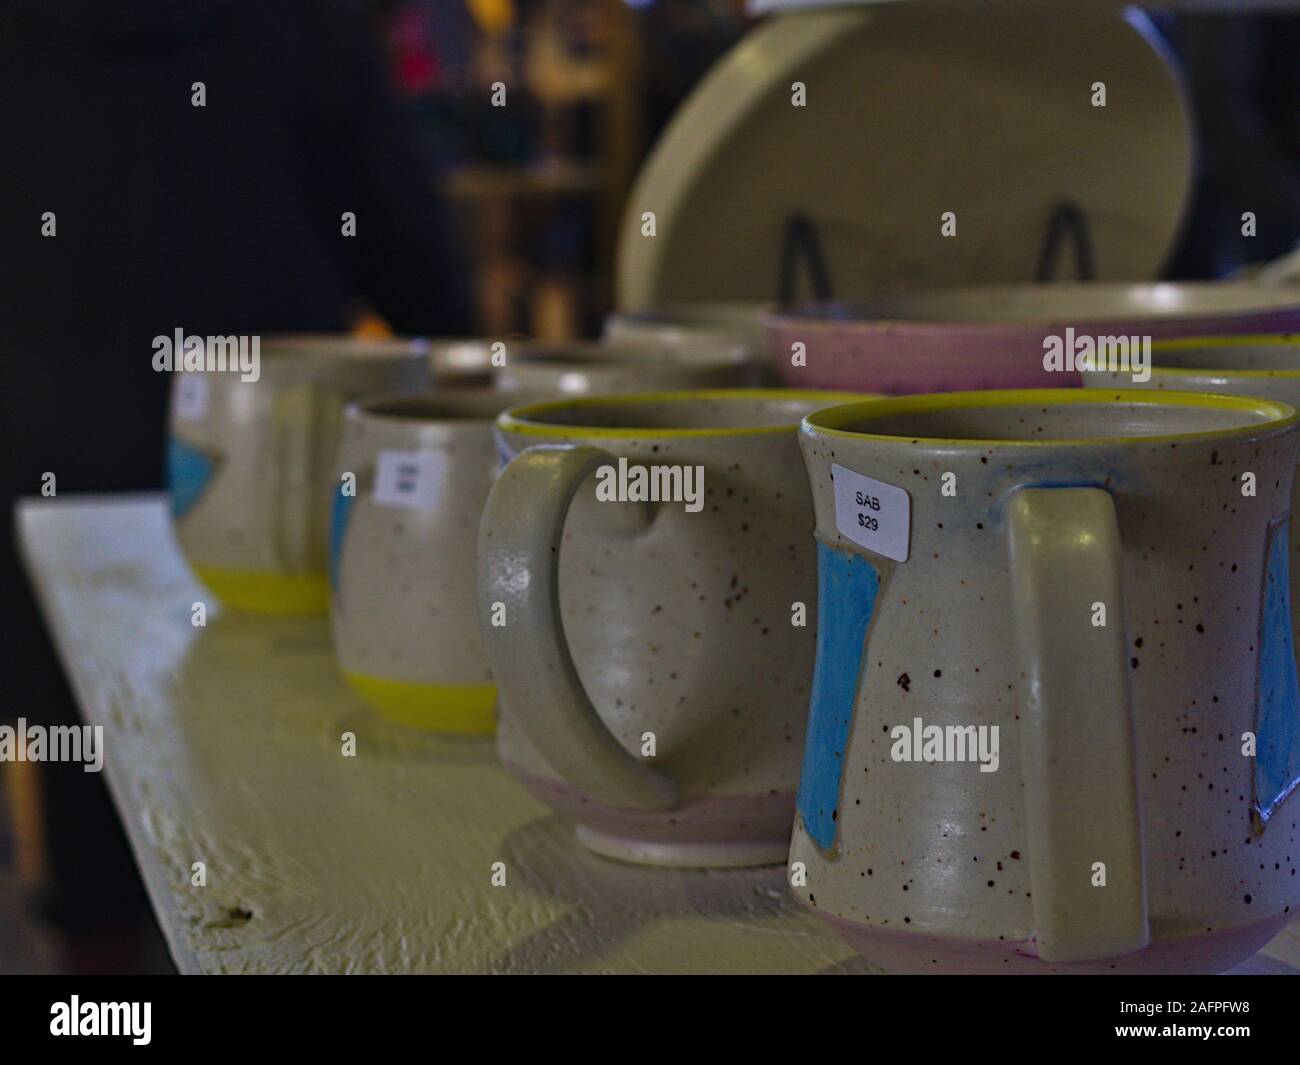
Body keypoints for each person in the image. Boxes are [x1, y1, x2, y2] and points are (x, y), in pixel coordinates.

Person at [0, 0, 470, 970]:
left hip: (47, 462)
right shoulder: (307, 31)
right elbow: (413, 259)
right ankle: (295, 939)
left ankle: (97, 983)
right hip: (277, 473)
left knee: (79, 751)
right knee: (295, 750)